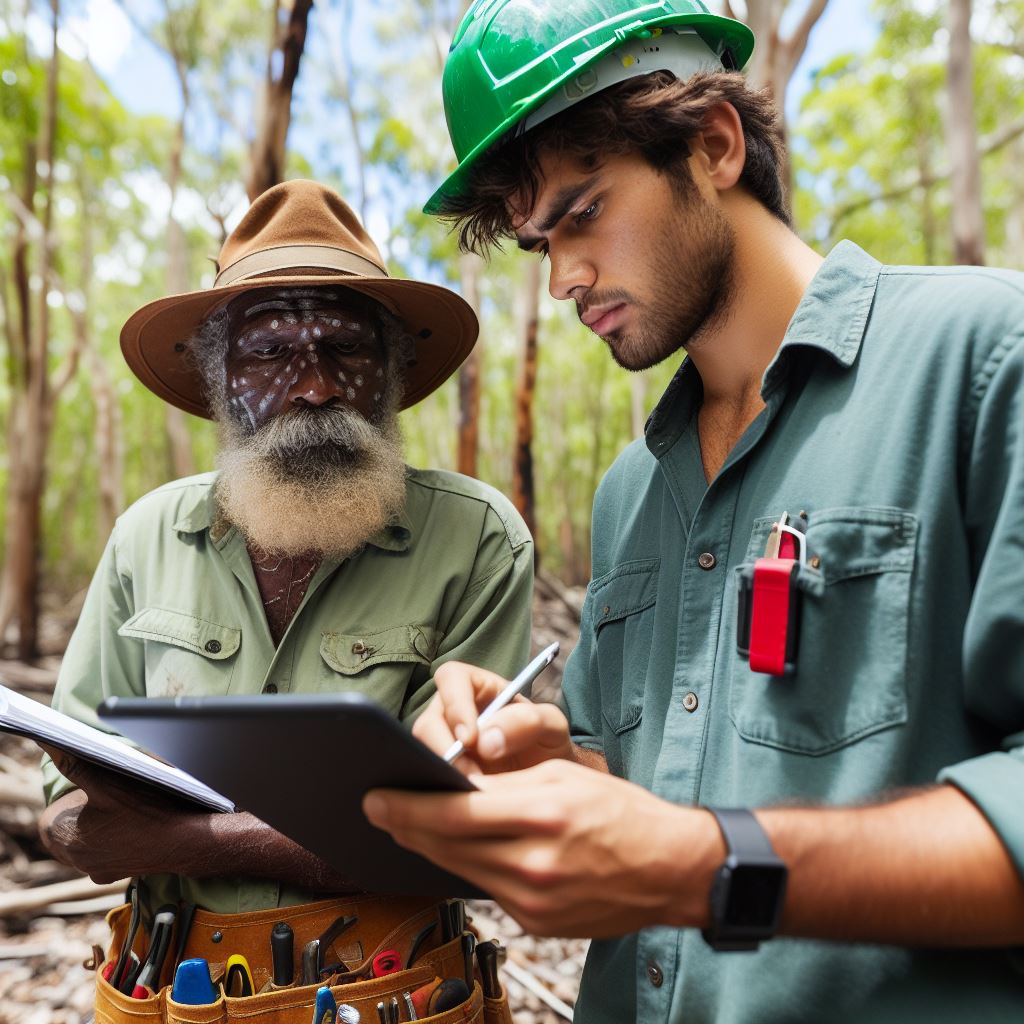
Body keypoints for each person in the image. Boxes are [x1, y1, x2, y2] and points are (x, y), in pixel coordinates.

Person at [361, 2, 1024, 1021]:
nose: (565, 280)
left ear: (712, 145)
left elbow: (679, 850)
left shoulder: (982, 361)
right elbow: (642, 787)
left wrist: (706, 866)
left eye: (580, 213)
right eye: (540, 245)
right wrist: (549, 761)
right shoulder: (634, 486)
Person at [38, 179, 534, 923]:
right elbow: (67, 800)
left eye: (345, 347)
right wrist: (77, 828)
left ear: (393, 376)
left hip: (387, 991)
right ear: (219, 379)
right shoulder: (147, 536)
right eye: (270, 351)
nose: (314, 386)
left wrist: (182, 841)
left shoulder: (476, 539)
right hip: (169, 991)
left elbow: (456, 833)